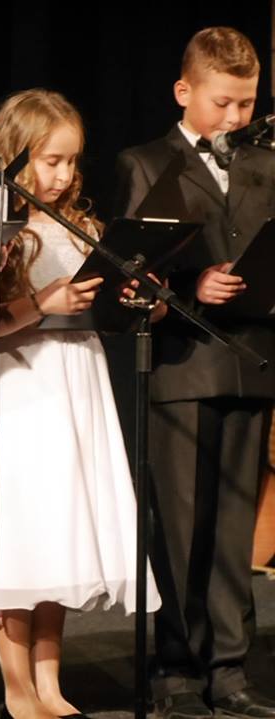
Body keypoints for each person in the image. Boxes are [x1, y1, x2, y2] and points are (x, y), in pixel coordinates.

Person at [0, 89, 160, 719]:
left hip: (77, 383)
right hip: (22, 386)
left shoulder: (83, 227)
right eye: (51, 161)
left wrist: (133, 297)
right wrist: (42, 303)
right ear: (16, 156)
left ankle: (49, 683)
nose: (64, 176)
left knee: (59, 531)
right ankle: (16, 688)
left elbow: (105, 305)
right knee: (22, 531)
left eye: (71, 162)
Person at [113, 26, 275, 719]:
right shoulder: (145, 162)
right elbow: (129, 269)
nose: (235, 117)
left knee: (235, 529)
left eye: (247, 103)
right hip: (181, 365)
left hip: (251, 361)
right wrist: (190, 288)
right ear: (184, 91)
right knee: (181, 525)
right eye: (222, 103)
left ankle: (230, 670)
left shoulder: (268, 164)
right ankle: (175, 669)